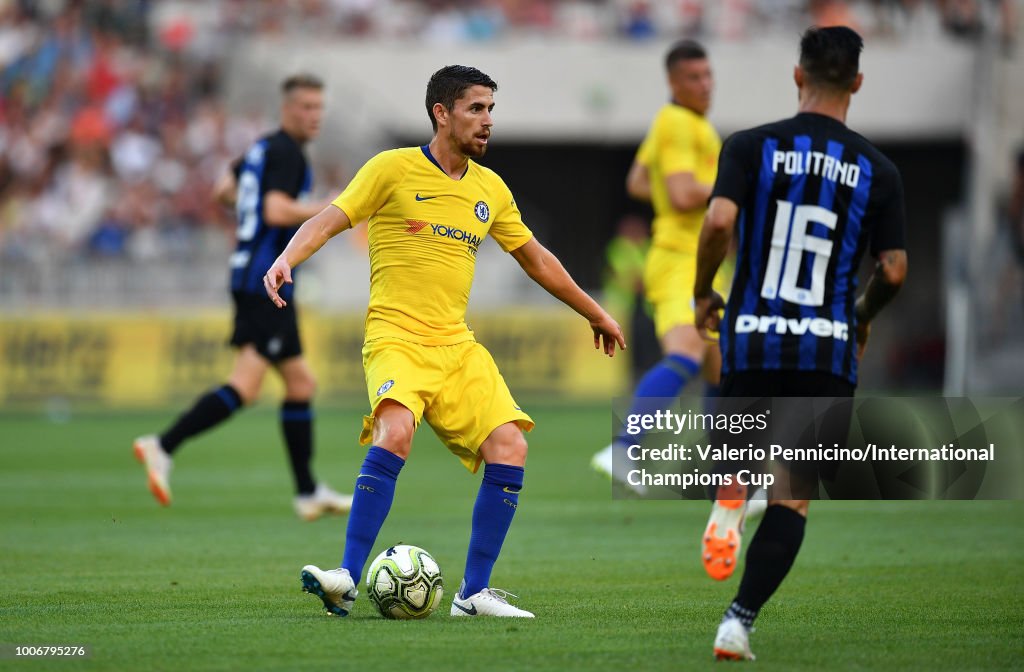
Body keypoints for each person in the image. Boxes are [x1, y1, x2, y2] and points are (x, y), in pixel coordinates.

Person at [264, 65, 625, 618]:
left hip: (456, 345)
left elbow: (536, 260)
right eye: (476, 109)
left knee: (510, 445)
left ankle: (472, 594)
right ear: (442, 113)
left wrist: (595, 312)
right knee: (396, 429)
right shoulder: (392, 168)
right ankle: (346, 576)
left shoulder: (490, 189)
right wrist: (288, 257)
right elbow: (331, 219)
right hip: (395, 337)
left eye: (490, 110)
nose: (487, 121)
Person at [693, 26, 907, 660]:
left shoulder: (751, 146)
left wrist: (704, 289)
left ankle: (730, 489)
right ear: (858, 84)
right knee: (795, 491)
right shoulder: (879, 169)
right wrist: (862, 315)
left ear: (797, 75)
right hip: (827, 348)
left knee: (734, 456)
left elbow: (720, 220)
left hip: (754, 335)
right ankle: (737, 623)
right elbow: (893, 269)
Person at [132, 74, 352, 522]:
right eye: (306, 107)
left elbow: (222, 191)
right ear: (287, 109)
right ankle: (163, 445)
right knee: (247, 386)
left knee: (301, 383)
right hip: (264, 280)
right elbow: (274, 209)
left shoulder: (260, 149)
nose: (315, 116)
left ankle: (308, 491)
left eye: (319, 107)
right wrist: (336, 207)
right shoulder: (287, 152)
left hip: (255, 273)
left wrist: (251, 216)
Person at [591, 40, 731, 494]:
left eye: (708, 75)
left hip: (698, 256)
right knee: (688, 353)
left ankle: (725, 479)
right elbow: (683, 195)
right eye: (694, 77)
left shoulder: (673, 124)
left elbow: (638, 181)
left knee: (718, 366)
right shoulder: (678, 124)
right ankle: (623, 447)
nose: (705, 85)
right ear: (672, 82)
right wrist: (738, 186)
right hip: (681, 259)